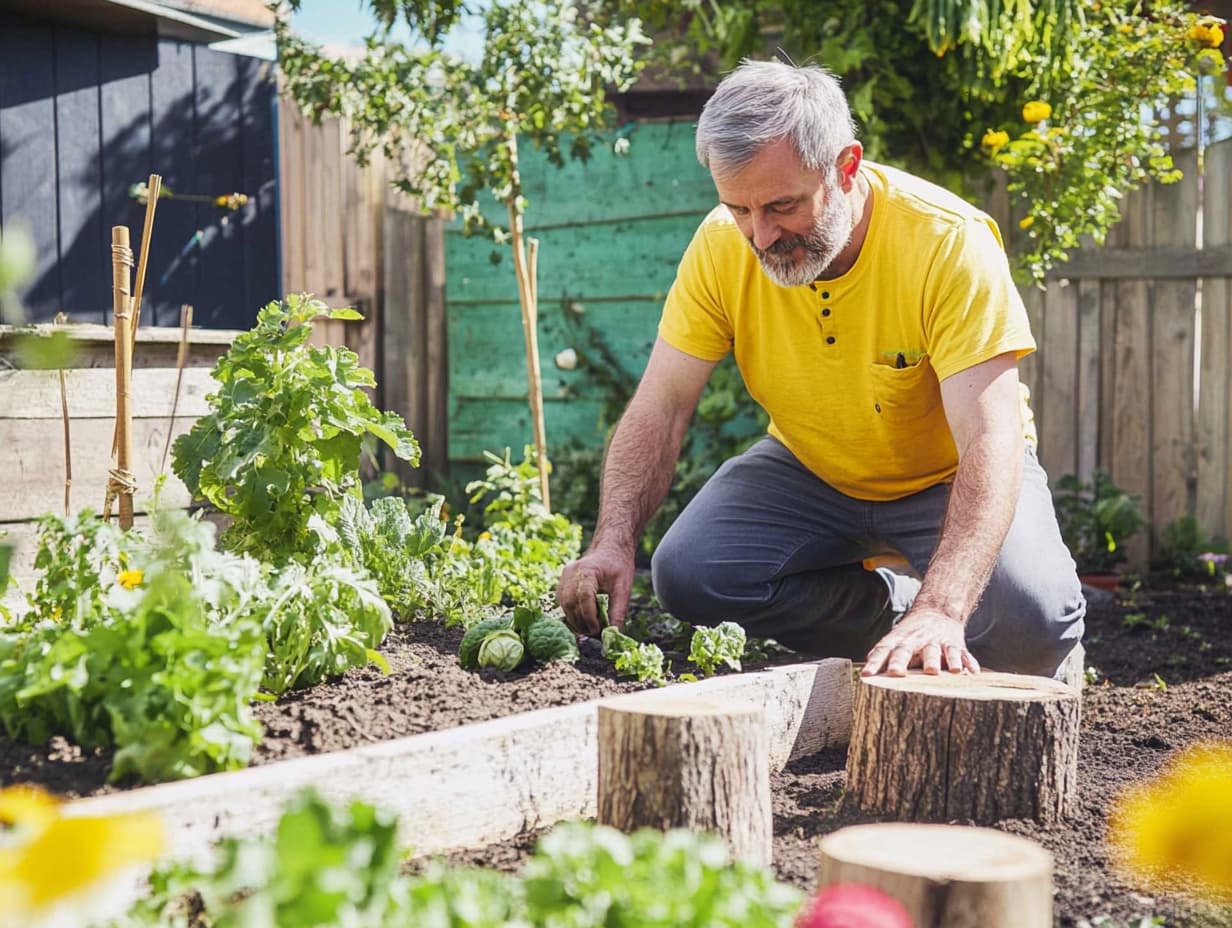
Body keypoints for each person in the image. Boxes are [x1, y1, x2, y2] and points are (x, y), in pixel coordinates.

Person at [557, 59, 1084, 679]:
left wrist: (947, 606)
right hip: (811, 470)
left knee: (1033, 623)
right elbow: (661, 403)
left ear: (846, 167)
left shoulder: (947, 242)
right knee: (691, 573)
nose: (760, 235)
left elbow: (991, 437)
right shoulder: (723, 246)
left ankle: (945, 614)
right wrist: (612, 540)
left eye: (782, 206)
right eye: (739, 209)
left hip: (948, 476)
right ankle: (902, 617)